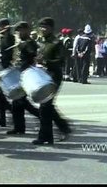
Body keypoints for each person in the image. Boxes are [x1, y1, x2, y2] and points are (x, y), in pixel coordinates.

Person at [33, 17, 71, 145]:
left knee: (45, 107)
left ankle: (45, 136)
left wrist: (45, 61)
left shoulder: (57, 43)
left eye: (45, 27)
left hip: (54, 76)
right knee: (46, 106)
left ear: (51, 28)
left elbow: (61, 61)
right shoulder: (41, 42)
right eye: (41, 27)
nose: (42, 29)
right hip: (43, 76)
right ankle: (61, 129)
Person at [6, 21, 40, 135]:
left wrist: (23, 46)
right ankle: (19, 128)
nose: (18, 33)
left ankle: (43, 117)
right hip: (20, 75)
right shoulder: (23, 42)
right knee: (17, 103)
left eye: (20, 30)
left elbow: (32, 56)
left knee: (22, 102)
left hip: (27, 75)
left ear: (26, 30)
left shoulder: (29, 43)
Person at [0, 18, 14, 127]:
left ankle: (8, 114)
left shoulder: (9, 38)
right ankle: (1, 119)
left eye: (1, 27)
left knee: (0, 96)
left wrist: (6, 33)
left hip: (5, 69)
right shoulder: (1, 38)